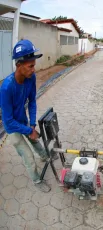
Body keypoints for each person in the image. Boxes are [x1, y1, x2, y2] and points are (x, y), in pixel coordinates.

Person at [0, 39, 57, 193]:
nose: (34, 69)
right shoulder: (6, 88)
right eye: (30, 66)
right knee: (28, 157)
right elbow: (9, 121)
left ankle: (45, 157)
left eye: (34, 65)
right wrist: (27, 130)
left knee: (35, 141)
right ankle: (37, 180)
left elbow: (32, 101)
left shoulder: (30, 78)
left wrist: (31, 124)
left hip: (23, 120)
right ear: (19, 65)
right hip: (12, 127)